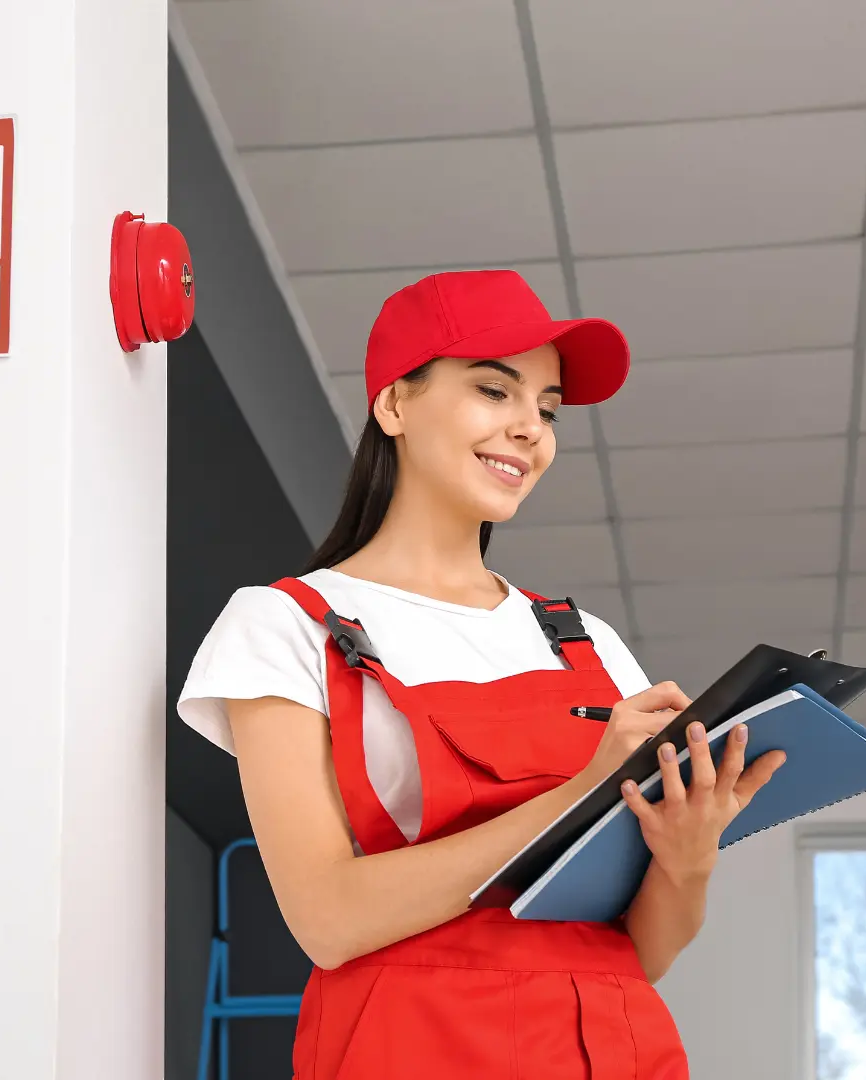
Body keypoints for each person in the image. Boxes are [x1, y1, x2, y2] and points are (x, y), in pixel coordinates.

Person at [176, 270, 785, 1079]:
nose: (530, 428)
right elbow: (326, 918)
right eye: (495, 390)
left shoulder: (587, 643)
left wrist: (689, 852)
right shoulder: (285, 625)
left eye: (548, 408)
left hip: (617, 1050)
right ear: (394, 405)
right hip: (410, 1049)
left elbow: (641, 952)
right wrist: (578, 793)